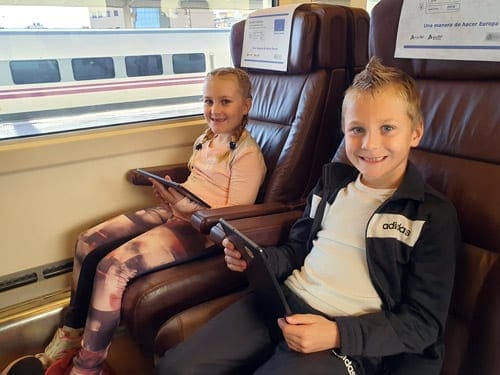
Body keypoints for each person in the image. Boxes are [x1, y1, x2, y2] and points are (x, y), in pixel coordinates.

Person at [155, 57, 461, 375]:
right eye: (357, 129)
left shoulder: (430, 215)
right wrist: (258, 261)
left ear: (415, 133)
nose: (370, 144)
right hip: (283, 303)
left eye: (387, 128)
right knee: (177, 367)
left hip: (346, 341)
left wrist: (337, 333)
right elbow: (297, 249)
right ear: (344, 131)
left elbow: (424, 324)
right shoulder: (331, 187)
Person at [1, 67, 266, 375]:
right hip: (179, 210)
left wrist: (182, 207)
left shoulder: (248, 156)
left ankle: (89, 366)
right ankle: (71, 336)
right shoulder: (206, 139)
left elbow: (232, 218)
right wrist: (171, 195)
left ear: (245, 106)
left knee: (113, 268)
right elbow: (196, 182)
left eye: (224, 102)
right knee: (88, 241)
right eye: (208, 101)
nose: (214, 110)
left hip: (203, 229)